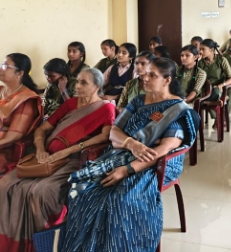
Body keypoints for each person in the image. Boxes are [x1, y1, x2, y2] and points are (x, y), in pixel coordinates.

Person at [62, 59, 199, 252]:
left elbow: (162, 150)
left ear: (167, 80)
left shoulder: (176, 110)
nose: (145, 78)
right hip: (121, 153)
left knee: (120, 200)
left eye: (152, 75)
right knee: (82, 190)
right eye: (146, 73)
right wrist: (131, 143)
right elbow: (114, 131)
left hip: (155, 164)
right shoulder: (138, 101)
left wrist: (126, 170)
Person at [0, 68, 115, 251]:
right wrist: (40, 149)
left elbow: (104, 136)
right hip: (45, 156)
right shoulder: (70, 104)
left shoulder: (106, 108)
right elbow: (42, 129)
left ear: (96, 86)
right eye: (77, 81)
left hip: (73, 160)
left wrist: (68, 151)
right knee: (5, 184)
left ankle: (41, 244)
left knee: (41, 192)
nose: (77, 86)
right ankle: (11, 242)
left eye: (83, 83)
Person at [0, 54, 43, 175]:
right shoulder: (1, 90)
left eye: (5, 66)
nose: (1, 68)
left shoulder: (26, 99)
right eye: (1, 65)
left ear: (19, 73)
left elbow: (14, 136)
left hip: (5, 150)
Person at [198, 40, 231, 121]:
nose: (200, 51)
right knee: (193, 97)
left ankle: (215, 116)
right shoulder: (200, 63)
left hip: (217, 89)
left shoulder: (221, 60)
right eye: (200, 49)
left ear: (211, 50)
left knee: (215, 92)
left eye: (203, 49)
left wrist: (221, 85)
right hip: (204, 89)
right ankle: (210, 103)